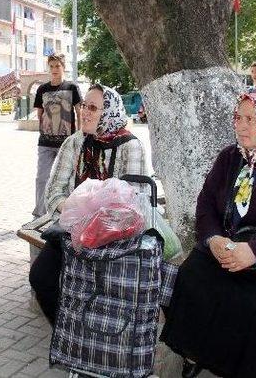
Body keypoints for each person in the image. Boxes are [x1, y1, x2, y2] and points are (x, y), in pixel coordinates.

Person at [160, 93, 256, 378]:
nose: (241, 126)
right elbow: (206, 202)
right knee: (192, 276)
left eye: (250, 119)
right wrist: (213, 239)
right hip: (232, 242)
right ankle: (198, 352)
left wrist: (255, 252)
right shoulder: (231, 158)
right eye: (238, 118)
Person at [29, 84, 148, 324]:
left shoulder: (130, 146)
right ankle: (65, 330)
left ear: (109, 112)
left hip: (115, 238)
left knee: (100, 289)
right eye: (84, 105)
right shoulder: (74, 143)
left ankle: (92, 337)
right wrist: (76, 212)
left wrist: (91, 218)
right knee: (41, 277)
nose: (84, 112)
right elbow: (54, 192)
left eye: (93, 107)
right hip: (72, 229)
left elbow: (133, 206)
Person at [32, 53, 82, 218]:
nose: (54, 69)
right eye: (51, 66)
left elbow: (79, 113)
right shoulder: (42, 89)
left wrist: (80, 135)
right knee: (42, 178)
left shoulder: (72, 88)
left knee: (69, 179)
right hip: (45, 143)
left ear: (63, 67)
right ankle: (39, 213)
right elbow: (39, 114)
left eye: (57, 66)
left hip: (67, 143)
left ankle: (67, 212)